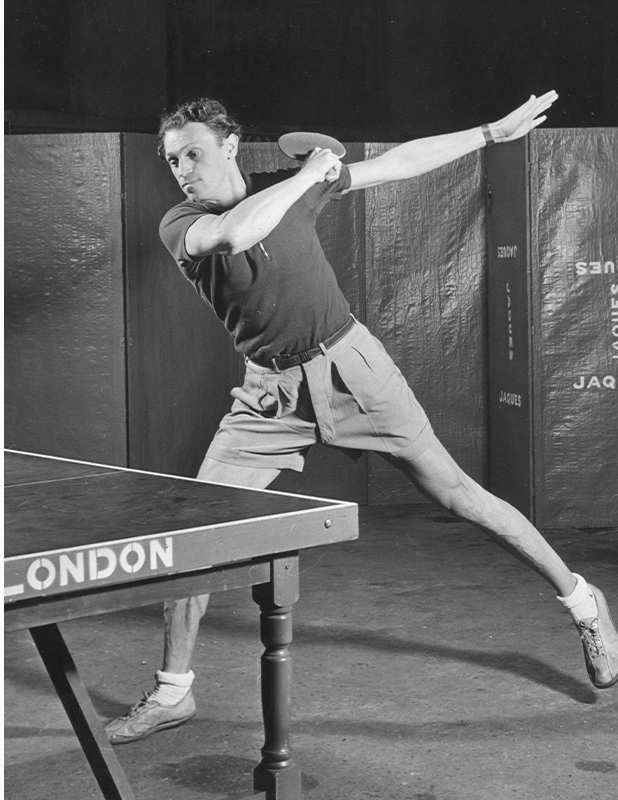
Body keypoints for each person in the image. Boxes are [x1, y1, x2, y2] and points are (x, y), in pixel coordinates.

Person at [105, 91, 618, 745]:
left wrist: (490, 133)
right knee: (198, 530)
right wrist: (309, 176)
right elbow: (236, 233)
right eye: (173, 159)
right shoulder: (180, 224)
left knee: (461, 495)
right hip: (269, 400)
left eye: (194, 154)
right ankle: (174, 692)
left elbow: (401, 164)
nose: (182, 170)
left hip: (353, 369)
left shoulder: (294, 187)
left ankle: (583, 603)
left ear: (230, 145)